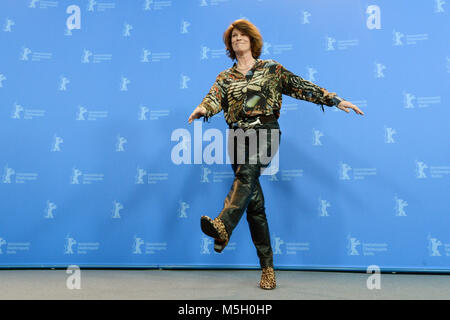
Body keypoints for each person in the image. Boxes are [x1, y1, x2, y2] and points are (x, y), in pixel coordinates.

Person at [188, 19, 364, 290]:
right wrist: (203, 109)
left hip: (265, 131)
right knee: (254, 206)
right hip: (237, 137)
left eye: (242, 35)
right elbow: (214, 97)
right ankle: (267, 269)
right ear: (229, 45)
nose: (237, 39)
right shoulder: (225, 77)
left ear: (252, 40)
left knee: (246, 174)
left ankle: (223, 225)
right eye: (233, 37)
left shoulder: (271, 69)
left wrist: (334, 100)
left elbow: (300, 86)